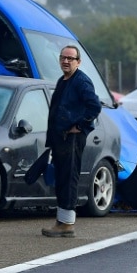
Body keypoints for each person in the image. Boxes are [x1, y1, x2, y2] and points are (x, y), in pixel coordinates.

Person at [42, 44, 101, 238]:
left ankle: (67, 224)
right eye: (63, 58)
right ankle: (61, 221)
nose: (66, 61)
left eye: (70, 58)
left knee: (69, 178)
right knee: (61, 178)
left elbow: (94, 107)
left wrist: (81, 126)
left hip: (73, 138)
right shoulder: (63, 80)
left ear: (78, 62)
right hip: (60, 139)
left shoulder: (81, 82)